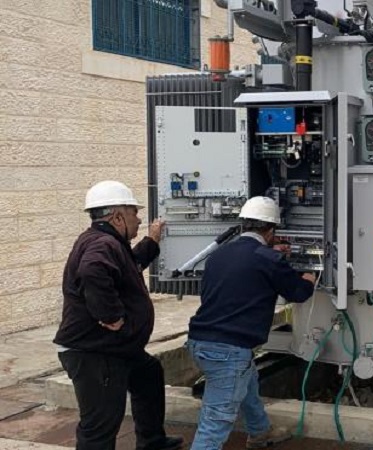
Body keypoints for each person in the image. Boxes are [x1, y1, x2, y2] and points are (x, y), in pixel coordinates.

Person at [54, 180, 184, 450]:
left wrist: (152, 240)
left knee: (148, 374)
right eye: (134, 213)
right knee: (100, 427)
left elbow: (129, 265)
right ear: (117, 217)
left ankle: (152, 442)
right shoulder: (103, 244)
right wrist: (111, 315)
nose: (139, 219)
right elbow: (93, 270)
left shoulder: (106, 241)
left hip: (117, 348)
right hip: (95, 353)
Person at [187, 196, 316, 450]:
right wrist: (309, 279)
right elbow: (298, 293)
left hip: (198, 342)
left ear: (244, 225)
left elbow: (238, 277)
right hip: (229, 350)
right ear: (271, 231)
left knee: (247, 381)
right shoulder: (269, 260)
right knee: (215, 422)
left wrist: (271, 256)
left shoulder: (218, 255)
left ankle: (260, 432)